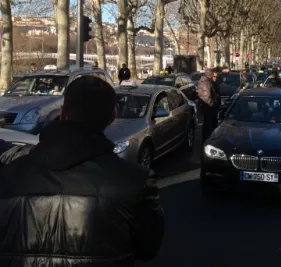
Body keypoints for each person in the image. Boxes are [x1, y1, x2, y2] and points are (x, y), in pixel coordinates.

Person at [0, 76, 164, 265]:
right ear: (112, 116)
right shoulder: (136, 180)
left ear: (63, 113)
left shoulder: (11, 175)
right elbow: (149, 247)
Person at [198, 70, 218, 143]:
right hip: (208, 106)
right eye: (212, 76)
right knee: (208, 124)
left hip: (205, 105)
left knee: (207, 124)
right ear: (209, 75)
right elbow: (207, 96)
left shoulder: (204, 81)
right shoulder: (205, 83)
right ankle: (208, 140)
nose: (213, 77)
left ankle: (206, 139)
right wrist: (212, 104)